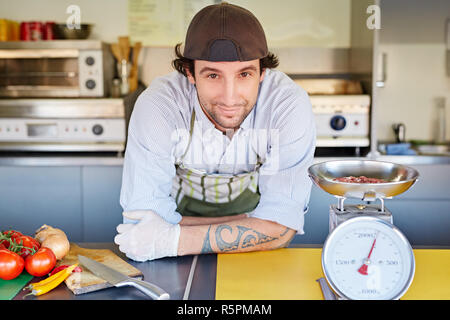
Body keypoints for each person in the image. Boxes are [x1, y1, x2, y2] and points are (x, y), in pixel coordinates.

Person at [114, 2, 316, 261]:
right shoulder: (159, 105)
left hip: (247, 255)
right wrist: (253, 225)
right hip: (193, 250)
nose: (230, 98)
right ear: (190, 73)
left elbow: (281, 228)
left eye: (244, 74)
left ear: (263, 72)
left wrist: (170, 238)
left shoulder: (286, 105)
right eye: (212, 76)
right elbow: (141, 223)